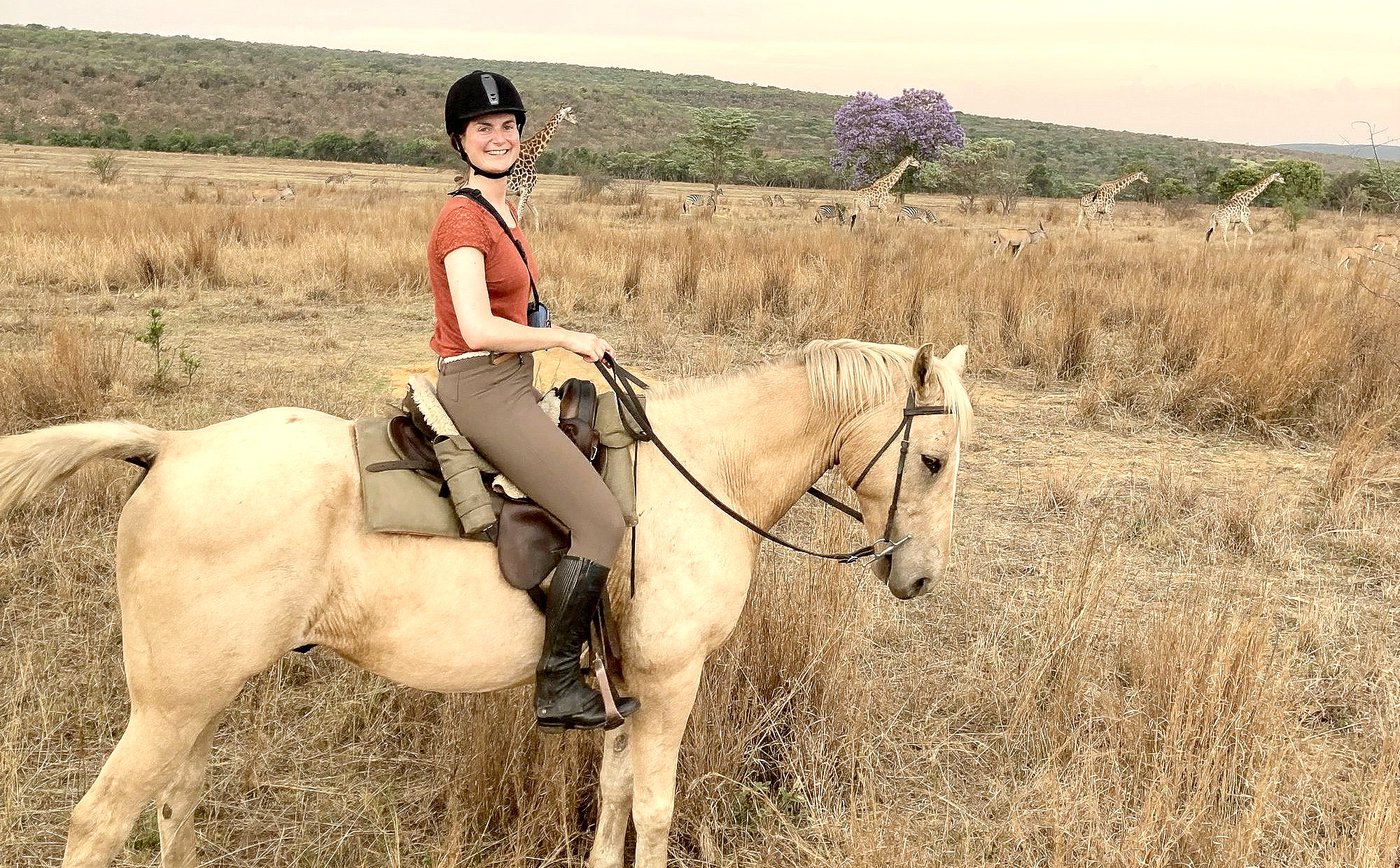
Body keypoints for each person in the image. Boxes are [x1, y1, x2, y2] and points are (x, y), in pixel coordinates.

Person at [429, 71, 638, 731]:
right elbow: (477, 326)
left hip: (512, 378)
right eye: (482, 128)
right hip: (481, 385)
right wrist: (565, 337)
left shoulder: (501, 209)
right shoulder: (463, 217)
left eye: (507, 125)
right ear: (460, 140)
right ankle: (556, 686)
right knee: (602, 521)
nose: (498, 137)